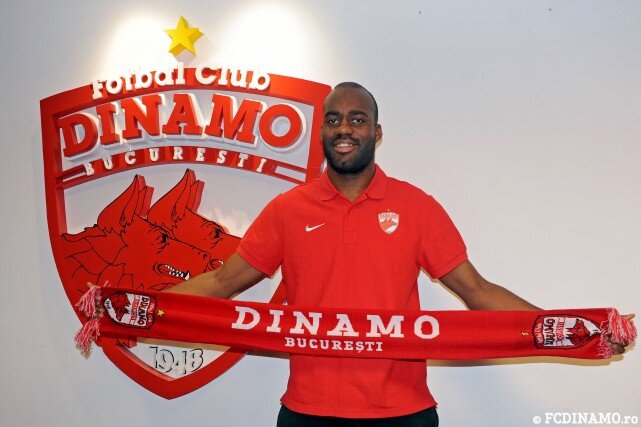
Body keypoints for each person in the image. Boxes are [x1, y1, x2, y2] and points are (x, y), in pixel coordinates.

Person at [165, 82, 631, 426]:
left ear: (377, 132)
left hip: (403, 414)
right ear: (321, 131)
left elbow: (476, 290)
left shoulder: (416, 207)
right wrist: (139, 310)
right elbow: (222, 282)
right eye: (334, 119)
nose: (344, 128)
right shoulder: (287, 210)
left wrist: (571, 331)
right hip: (308, 412)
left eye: (357, 119)